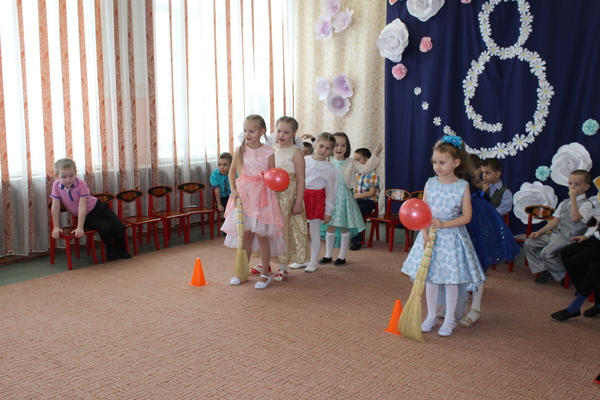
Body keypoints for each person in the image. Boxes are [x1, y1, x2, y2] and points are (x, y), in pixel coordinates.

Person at [401, 135, 486, 337]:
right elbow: (423, 210)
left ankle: (449, 319)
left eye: (442, 162)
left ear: (456, 162)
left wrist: (444, 224)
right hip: (431, 238)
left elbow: (466, 217)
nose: (437, 167)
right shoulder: (430, 183)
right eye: (435, 162)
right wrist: (423, 232)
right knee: (430, 279)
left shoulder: (462, 186)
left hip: (452, 240)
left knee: (450, 280)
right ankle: (431, 316)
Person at [221, 114, 284, 289]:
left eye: (251, 131)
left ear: (262, 131)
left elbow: (272, 174)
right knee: (246, 236)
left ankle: (265, 274)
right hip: (245, 196)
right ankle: (242, 272)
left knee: (263, 236)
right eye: (245, 131)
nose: (247, 134)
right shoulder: (240, 150)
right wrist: (233, 190)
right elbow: (232, 171)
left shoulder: (268, 151)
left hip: (262, 197)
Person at [456, 154, 519, 328]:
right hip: (467, 229)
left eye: (486, 172)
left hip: (483, 230)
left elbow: (492, 210)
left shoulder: (483, 190)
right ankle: (459, 302)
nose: (484, 176)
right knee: (462, 264)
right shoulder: (467, 186)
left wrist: (482, 194)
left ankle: (474, 308)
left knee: (477, 265)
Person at [250, 116, 310, 282]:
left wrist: (297, 202)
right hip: (270, 194)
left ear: (294, 133)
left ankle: (283, 266)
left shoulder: (296, 152)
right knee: (266, 229)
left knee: (283, 230)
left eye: (286, 132)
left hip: (287, 195)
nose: (281, 135)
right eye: (279, 131)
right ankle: (265, 263)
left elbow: (301, 179)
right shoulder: (270, 149)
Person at [50, 158, 132, 261]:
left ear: (75, 173)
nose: (68, 180)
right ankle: (110, 250)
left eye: (71, 176)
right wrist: (56, 227)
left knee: (119, 226)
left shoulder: (81, 184)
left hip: (99, 208)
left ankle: (120, 250)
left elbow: (82, 206)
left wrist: (79, 227)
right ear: (57, 176)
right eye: (63, 177)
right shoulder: (56, 185)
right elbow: (55, 206)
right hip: (86, 216)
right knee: (106, 228)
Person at [320, 133, 382, 266]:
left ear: (347, 147)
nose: (339, 148)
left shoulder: (351, 162)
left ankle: (342, 256)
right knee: (330, 226)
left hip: (345, 199)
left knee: (344, 226)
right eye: (336, 145)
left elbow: (365, 169)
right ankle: (328, 255)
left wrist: (376, 152)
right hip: (330, 198)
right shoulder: (328, 162)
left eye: (343, 145)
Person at [524, 170, 594, 284]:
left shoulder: (587, 204)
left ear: (586, 187)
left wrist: (573, 199)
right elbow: (555, 221)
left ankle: (563, 272)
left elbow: (575, 218)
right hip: (557, 234)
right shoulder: (565, 202)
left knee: (546, 253)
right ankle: (549, 270)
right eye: (570, 183)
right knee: (529, 243)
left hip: (570, 237)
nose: (572, 187)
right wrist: (539, 232)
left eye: (577, 184)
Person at [289, 132, 338, 273]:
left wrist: (328, 211)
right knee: (300, 230)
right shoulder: (305, 160)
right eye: (321, 146)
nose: (323, 150)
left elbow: (331, 192)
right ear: (315, 145)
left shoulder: (331, 170)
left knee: (314, 232)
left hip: (316, 200)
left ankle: (313, 261)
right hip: (301, 197)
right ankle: (302, 259)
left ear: (331, 151)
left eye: (327, 148)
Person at [551, 206, 600, 321]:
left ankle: (575, 307)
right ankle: (585, 289)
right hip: (595, 239)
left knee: (594, 268)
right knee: (567, 253)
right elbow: (595, 220)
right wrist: (586, 235)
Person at [349, 148, 380, 251]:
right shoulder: (355, 174)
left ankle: (356, 241)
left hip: (368, 202)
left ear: (367, 161)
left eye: (358, 160)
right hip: (356, 200)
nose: (355, 162)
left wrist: (355, 196)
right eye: (354, 159)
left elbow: (371, 193)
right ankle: (344, 236)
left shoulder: (373, 175)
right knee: (348, 210)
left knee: (356, 212)